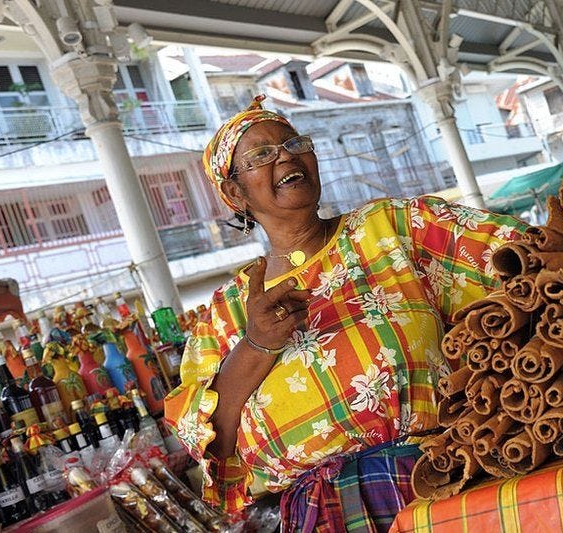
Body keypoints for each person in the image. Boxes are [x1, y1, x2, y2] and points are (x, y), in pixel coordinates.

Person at [163, 96, 527, 531]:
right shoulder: (224, 314)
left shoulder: (394, 228)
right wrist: (258, 343)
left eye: (295, 142)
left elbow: (521, 255)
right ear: (234, 193)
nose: (286, 154)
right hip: (322, 516)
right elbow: (213, 444)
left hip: (441, 478)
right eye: (261, 154)